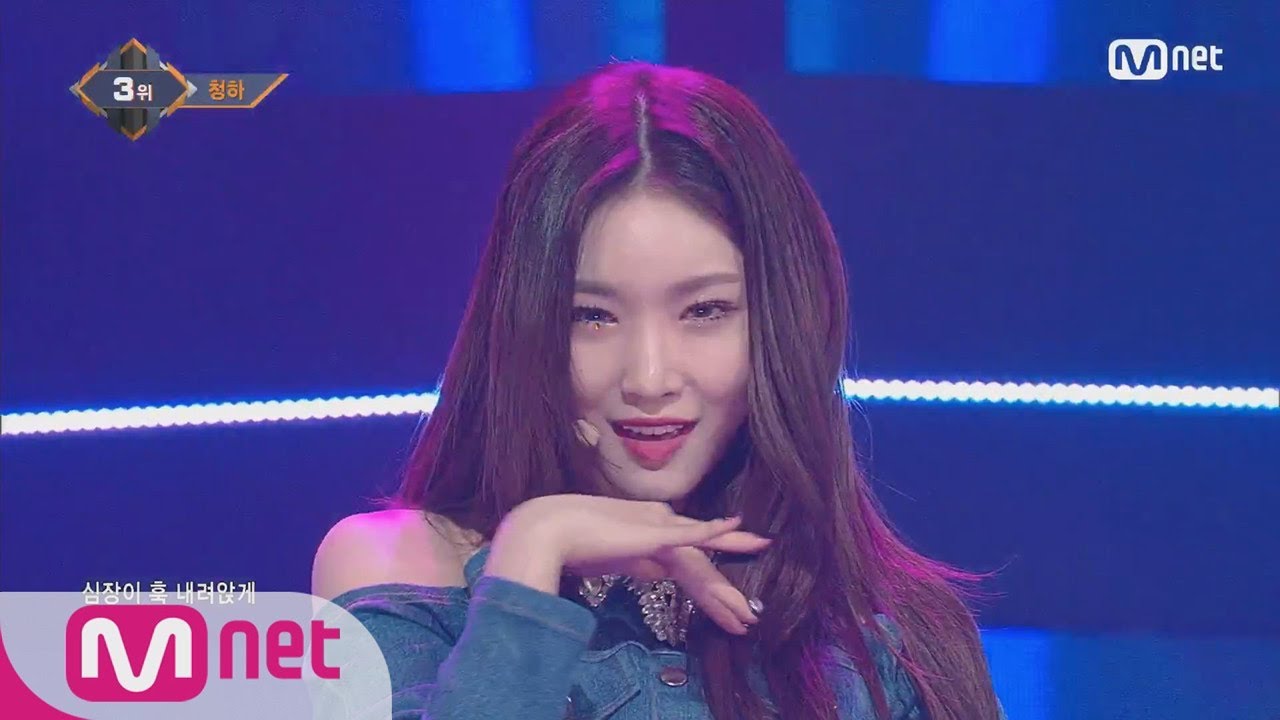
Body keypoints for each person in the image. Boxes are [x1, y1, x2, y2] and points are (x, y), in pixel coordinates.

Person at [312, 61, 1005, 720]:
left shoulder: (893, 631)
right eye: (591, 316)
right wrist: (533, 550)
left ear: (782, 319)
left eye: (704, 311)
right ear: (524, 325)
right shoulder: (396, 570)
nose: (649, 380)